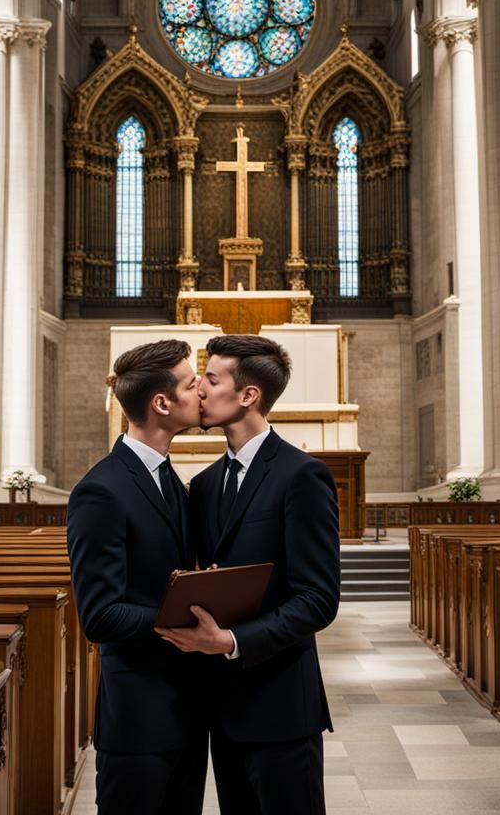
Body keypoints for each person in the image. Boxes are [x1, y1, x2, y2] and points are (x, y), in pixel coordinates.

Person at [157, 334, 341, 815]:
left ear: (248, 395)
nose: (198, 389)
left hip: (281, 702)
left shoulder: (302, 476)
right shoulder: (204, 484)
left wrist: (233, 641)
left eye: (211, 380)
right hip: (221, 706)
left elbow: (318, 599)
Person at [66, 339, 207, 815]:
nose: (201, 393)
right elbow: (100, 616)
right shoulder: (101, 491)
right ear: (161, 403)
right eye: (192, 384)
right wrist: (184, 622)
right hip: (139, 715)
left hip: (187, 708)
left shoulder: (172, 479)